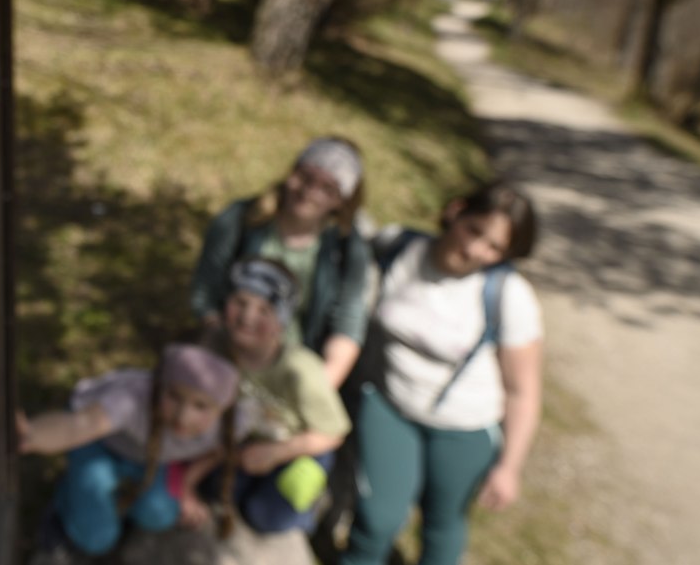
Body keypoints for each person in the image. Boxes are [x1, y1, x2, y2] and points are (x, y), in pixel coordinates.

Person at [343, 182, 543, 565]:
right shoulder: (399, 248)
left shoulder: (509, 296)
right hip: (390, 406)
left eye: (494, 247)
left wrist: (509, 467)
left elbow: (522, 390)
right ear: (455, 211)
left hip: (465, 428)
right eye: (473, 230)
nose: (475, 250)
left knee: (442, 524)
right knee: (377, 519)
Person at [22, 344, 248, 557]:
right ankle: (66, 506)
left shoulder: (234, 423)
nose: (183, 416)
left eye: (201, 406)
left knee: (160, 514)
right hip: (97, 442)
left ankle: (107, 503)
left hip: (148, 457)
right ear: (160, 384)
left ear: (223, 408)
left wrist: (187, 483)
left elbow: (219, 451)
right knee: (96, 539)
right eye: (174, 396)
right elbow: (78, 426)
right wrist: (28, 435)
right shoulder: (131, 398)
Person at [190, 137, 373, 389]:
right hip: (226, 351)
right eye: (305, 177)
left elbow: (348, 325)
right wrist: (221, 352)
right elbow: (206, 291)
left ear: (342, 200)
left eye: (327, 188)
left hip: (292, 369)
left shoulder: (347, 250)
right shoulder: (240, 220)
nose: (309, 192)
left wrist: (314, 389)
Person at [209, 258, 352, 535]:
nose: (247, 317)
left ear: (281, 323)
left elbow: (333, 433)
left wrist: (275, 453)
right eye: (240, 302)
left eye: (264, 310)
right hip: (247, 441)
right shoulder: (216, 350)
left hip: (298, 448)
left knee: (265, 517)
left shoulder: (301, 370)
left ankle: (309, 510)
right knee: (217, 491)